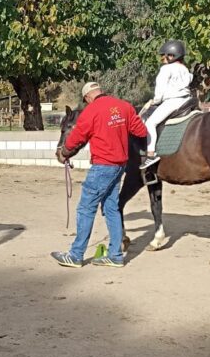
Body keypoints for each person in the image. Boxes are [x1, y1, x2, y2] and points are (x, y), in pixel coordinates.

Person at [51, 81, 147, 269]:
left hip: (103, 165)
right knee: (111, 208)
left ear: (88, 97)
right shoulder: (124, 106)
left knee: (86, 208)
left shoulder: (91, 110)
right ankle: (115, 256)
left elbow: (77, 136)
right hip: (120, 165)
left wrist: (65, 152)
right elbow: (141, 131)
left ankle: (76, 255)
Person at [141, 40, 193, 168]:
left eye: (166, 55)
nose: (164, 58)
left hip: (172, 101)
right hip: (187, 100)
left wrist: (155, 101)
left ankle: (151, 155)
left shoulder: (166, 69)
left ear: (173, 55)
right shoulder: (185, 69)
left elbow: (160, 90)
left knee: (150, 123)